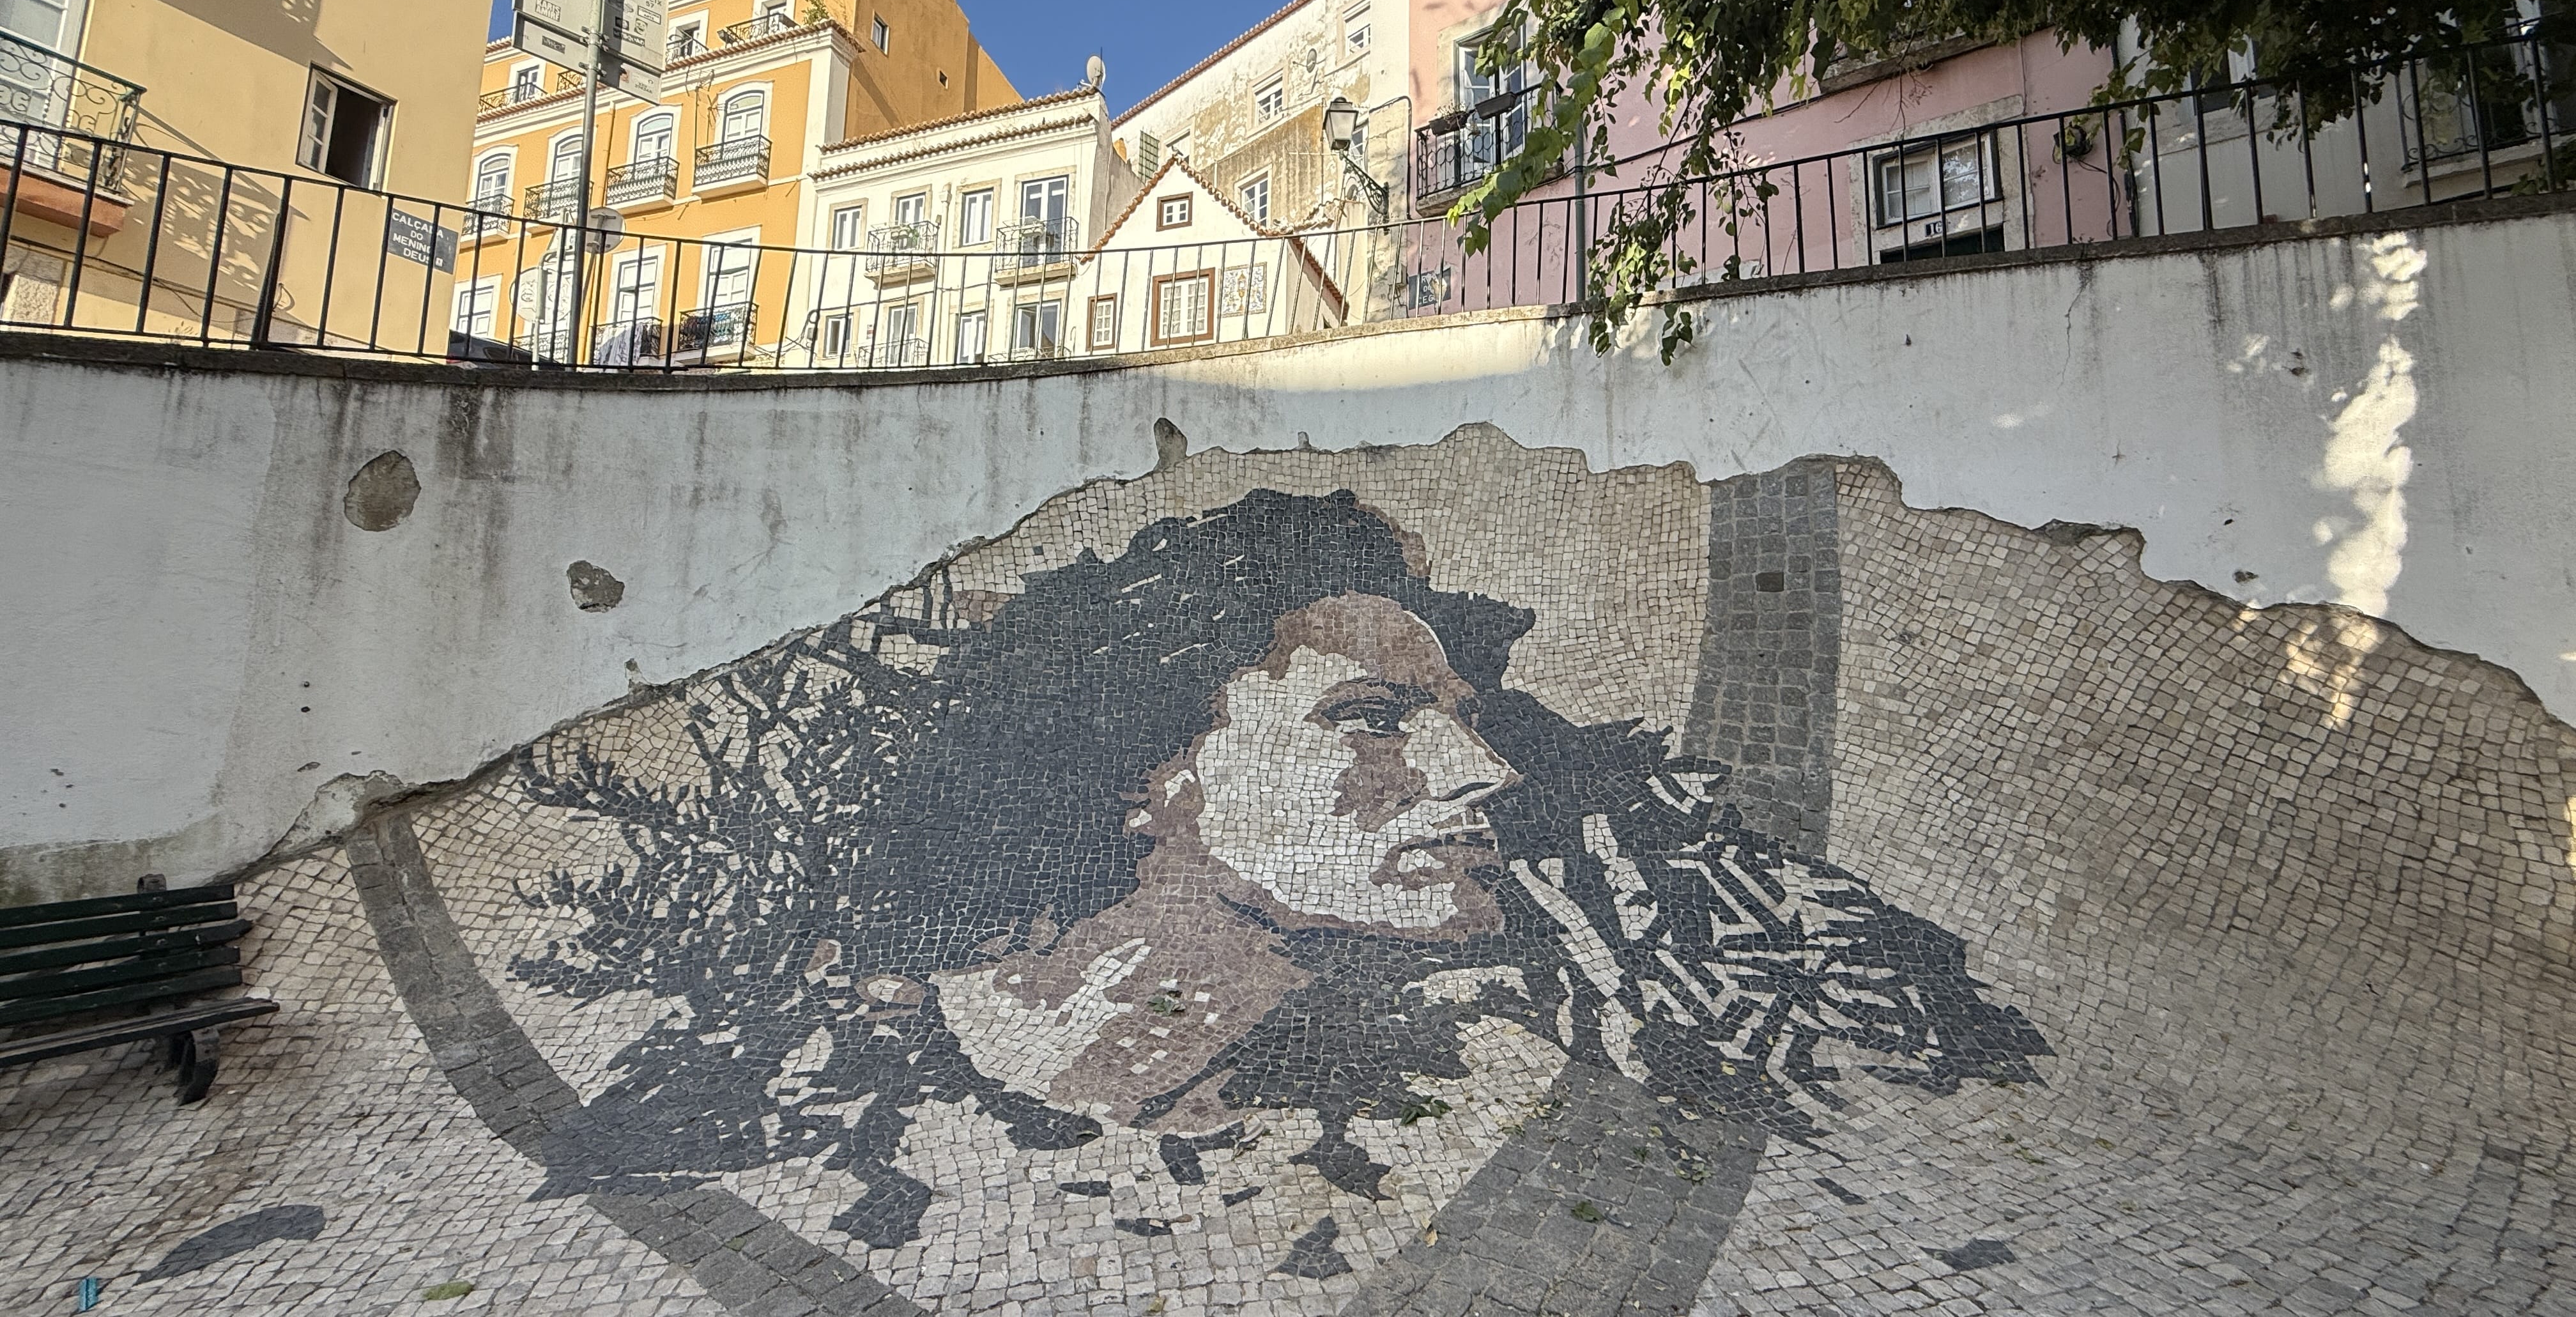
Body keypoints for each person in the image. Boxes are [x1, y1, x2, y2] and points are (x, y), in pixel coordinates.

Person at [509, 489, 2047, 1251]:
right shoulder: (837, 1091)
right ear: (1159, 771)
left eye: (1459, 720)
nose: (1484, 775)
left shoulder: (1472, 1057)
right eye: (1374, 720)